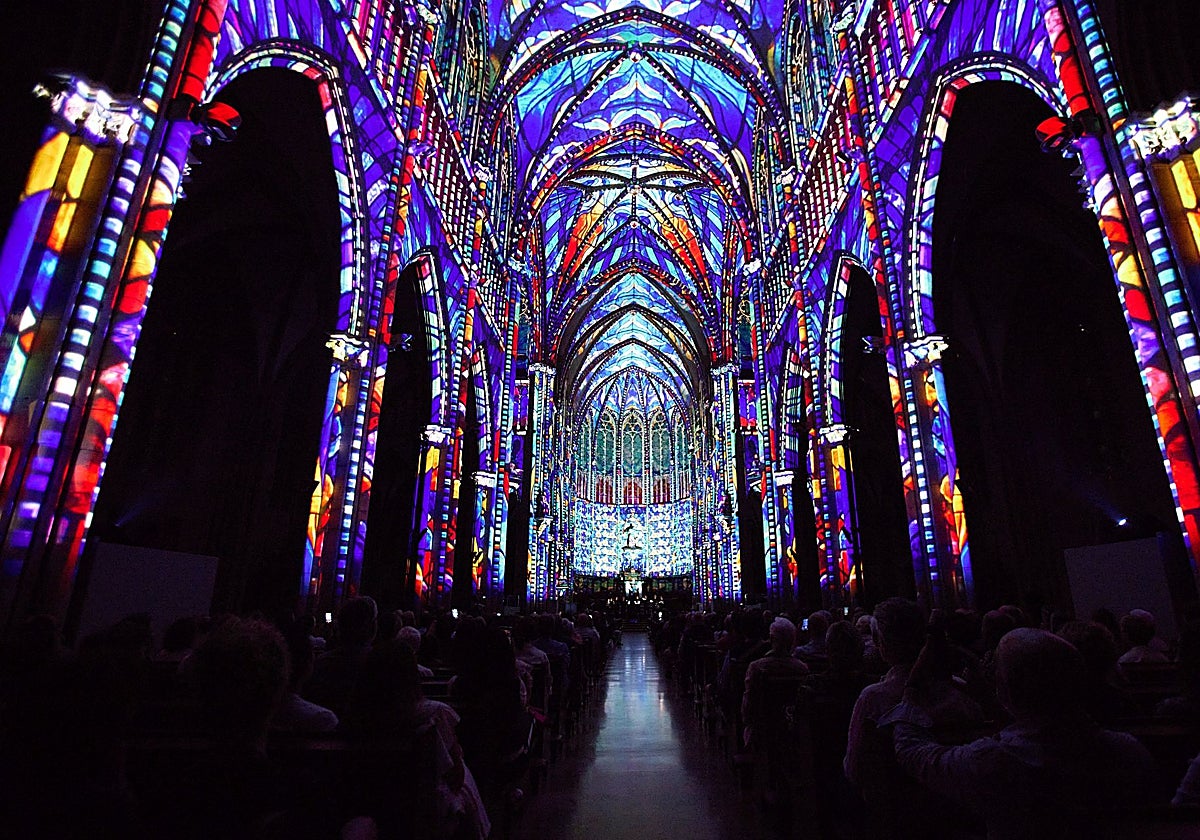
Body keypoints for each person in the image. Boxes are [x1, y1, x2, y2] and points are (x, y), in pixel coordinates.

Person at [883, 628, 1158, 837]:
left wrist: (913, 688)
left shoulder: (996, 762)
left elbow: (914, 754)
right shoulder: (1129, 751)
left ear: (1007, 691)